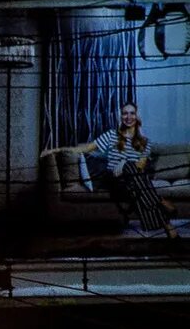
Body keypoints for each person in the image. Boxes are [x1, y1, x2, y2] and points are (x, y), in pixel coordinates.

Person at [48, 101, 164, 235]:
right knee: (132, 182)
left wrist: (125, 163)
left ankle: (160, 223)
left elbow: (140, 166)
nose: (128, 117)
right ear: (120, 117)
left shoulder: (145, 142)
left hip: (133, 180)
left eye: (132, 113)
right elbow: (86, 148)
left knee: (134, 178)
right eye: (125, 113)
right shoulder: (111, 135)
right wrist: (57, 149)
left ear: (137, 117)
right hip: (114, 179)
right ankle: (161, 203)